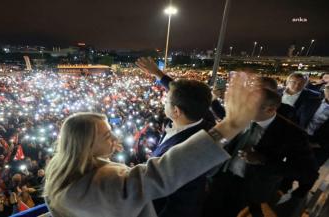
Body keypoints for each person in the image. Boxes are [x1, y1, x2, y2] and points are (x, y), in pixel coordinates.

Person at [43, 72, 263, 217]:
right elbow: (163, 173)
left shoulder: (60, 171)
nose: (116, 140)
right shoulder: (106, 180)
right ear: (86, 144)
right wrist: (230, 125)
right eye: (108, 136)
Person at [203, 88, 318, 217]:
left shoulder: (292, 134)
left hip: (251, 190)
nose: (241, 109)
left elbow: (309, 173)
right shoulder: (239, 117)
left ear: (269, 110)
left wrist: (263, 160)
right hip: (220, 178)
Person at [136, 57, 214, 217]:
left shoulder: (186, 151)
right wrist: (158, 74)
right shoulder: (203, 116)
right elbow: (187, 94)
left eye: (167, 100)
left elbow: (181, 204)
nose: (164, 101)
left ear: (176, 111)